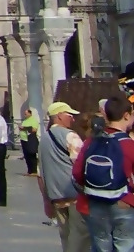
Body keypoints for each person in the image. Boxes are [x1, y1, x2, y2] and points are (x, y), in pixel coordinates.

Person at [72, 94, 134, 252]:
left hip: (95, 203)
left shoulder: (91, 142)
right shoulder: (132, 147)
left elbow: (77, 174)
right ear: (126, 116)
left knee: (101, 246)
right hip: (123, 202)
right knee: (127, 246)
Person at [38, 101, 89, 252]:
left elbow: (40, 174)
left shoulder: (43, 140)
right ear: (59, 116)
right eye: (70, 115)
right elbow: (82, 165)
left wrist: (46, 200)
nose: (73, 119)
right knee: (81, 236)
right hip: (75, 195)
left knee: (65, 236)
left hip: (56, 197)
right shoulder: (70, 136)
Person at [22, 104, 41, 176]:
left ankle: (34, 170)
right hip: (24, 139)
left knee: (31, 155)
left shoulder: (33, 120)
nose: (25, 115)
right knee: (26, 155)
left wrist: (24, 128)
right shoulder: (25, 120)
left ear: (30, 113)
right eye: (24, 114)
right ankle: (29, 170)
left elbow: (34, 129)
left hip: (30, 139)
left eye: (26, 114)